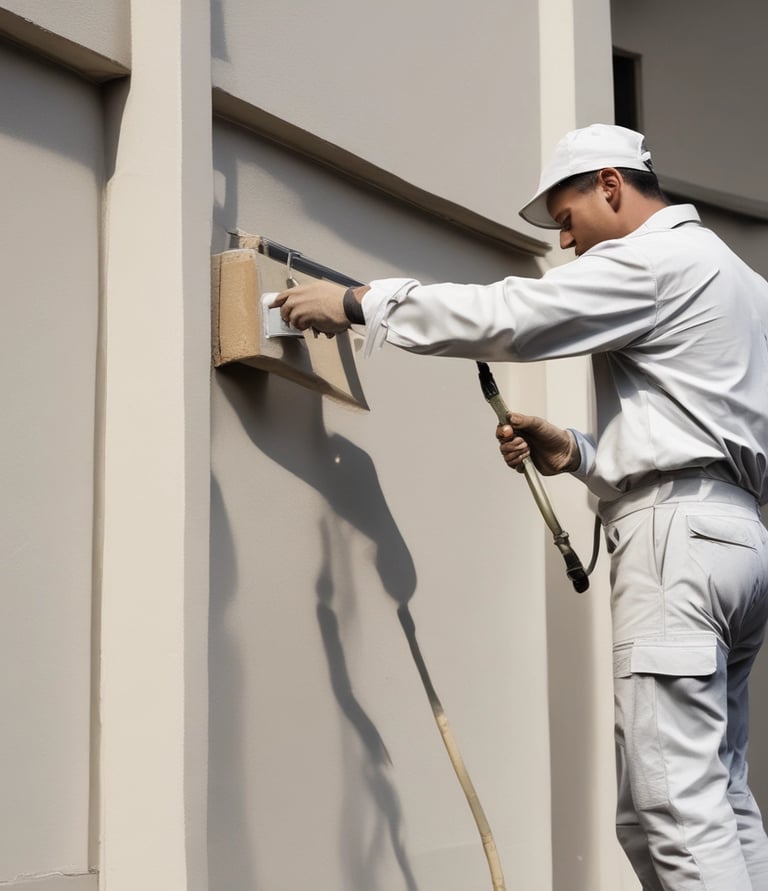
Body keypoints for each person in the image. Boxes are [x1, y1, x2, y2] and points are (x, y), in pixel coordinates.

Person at [272, 123, 768, 890]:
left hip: (681, 545)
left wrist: (361, 303)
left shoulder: (656, 260)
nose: (566, 242)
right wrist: (576, 452)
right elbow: (701, 426)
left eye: (567, 218)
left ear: (610, 183)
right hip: (735, 538)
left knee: (673, 807)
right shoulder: (741, 282)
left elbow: (513, 317)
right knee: (713, 798)